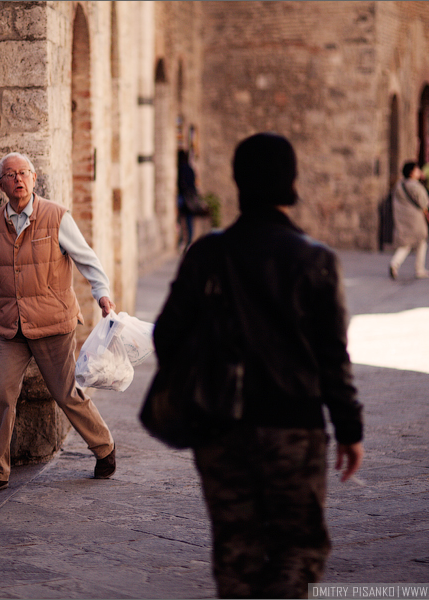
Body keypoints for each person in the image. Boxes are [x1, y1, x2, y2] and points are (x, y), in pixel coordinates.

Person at [152, 133, 364, 598]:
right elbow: (333, 357)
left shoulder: (208, 253)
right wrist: (349, 430)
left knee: (236, 549)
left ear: (237, 181)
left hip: (221, 429)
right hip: (294, 429)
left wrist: (203, 382)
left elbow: (166, 334)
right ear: (291, 181)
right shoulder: (316, 260)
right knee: (297, 549)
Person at [0, 152, 117, 498]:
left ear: (34, 179)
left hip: (53, 322)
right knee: (2, 395)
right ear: (0, 184)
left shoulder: (56, 216)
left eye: (24, 173)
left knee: (66, 392)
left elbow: (86, 258)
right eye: (10, 174)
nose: (18, 179)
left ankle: (104, 448)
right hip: (11, 327)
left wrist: (103, 294)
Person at [390, 161, 429, 280]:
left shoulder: (399, 185)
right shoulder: (415, 186)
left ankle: (395, 263)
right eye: (417, 170)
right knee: (421, 242)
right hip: (416, 218)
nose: (419, 172)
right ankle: (419, 269)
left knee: (406, 244)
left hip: (403, 217)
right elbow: (424, 202)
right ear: (411, 172)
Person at [176, 149, 198, 250]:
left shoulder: (181, 169)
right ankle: (188, 240)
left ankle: (181, 240)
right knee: (189, 220)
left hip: (183, 196)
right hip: (190, 196)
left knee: (180, 218)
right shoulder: (190, 168)